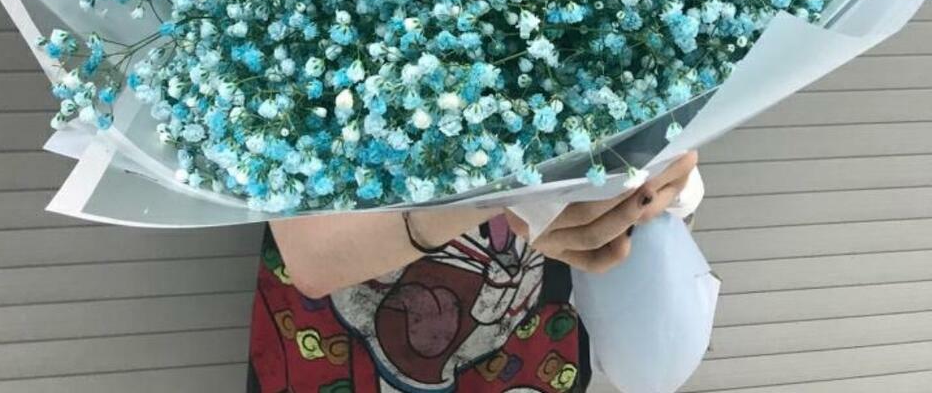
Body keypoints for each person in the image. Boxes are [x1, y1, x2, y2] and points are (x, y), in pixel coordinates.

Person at [246, 151, 699, 392]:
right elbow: (313, 258)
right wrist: (519, 182)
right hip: (333, 330)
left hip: (524, 346)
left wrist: (661, 180)